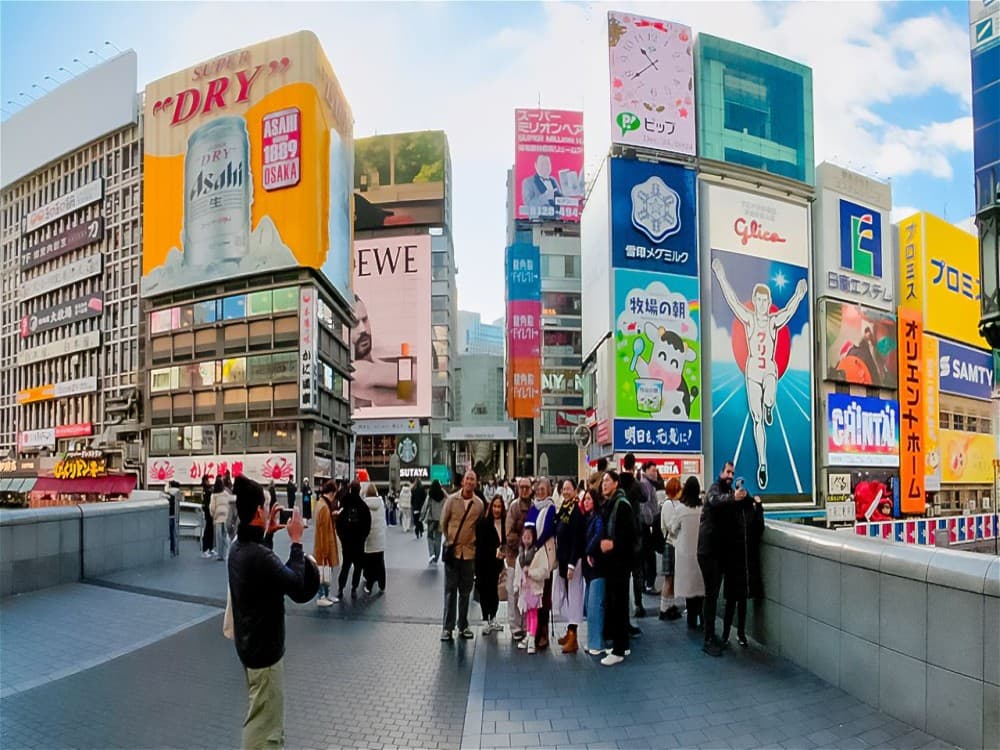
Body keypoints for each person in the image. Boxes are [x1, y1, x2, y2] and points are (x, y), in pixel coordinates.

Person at [227, 474, 318, 750]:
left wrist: (267, 536)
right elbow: (295, 583)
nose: (268, 511)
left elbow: (264, 573)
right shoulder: (258, 556)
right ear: (258, 511)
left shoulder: (238, 549)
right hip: (265, 654)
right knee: (265, 726)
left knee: (261, 713)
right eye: (265, 507)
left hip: (250, 648)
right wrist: (297, 541)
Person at [712, 258, 807, 490]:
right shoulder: (748, 319)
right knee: (756, 420)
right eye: (759, 299)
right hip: (753, 370)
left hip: (769, 370)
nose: (762, 303)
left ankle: (768, 407)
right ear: (755, 301)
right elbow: (732, 300)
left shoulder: (774, 321)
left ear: (769, 301)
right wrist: (721, 275)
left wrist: (799, 293)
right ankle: (762, 463)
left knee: (770, 399)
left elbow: (789, 311)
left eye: (766, 299)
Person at [699, 461, 744, 657]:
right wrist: (733, 497)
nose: (730, 476)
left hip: (715, 551)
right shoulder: (716, 489)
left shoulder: (725, 491)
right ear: (721, 472)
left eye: (732, 473)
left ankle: (710, 635)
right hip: (709, 552)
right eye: (728, 472)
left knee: (712, 595)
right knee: (711, 595)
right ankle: (708, 638)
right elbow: (715, 500)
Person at [440, 470, 485, 642]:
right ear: (462, 482)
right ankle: (447, 628)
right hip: (453, 552)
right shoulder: (452, 500)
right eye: (468, 479)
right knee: (450, 591)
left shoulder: (479, 504)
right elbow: (444, 523)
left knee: (465, 592)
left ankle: (463, 625)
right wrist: (450, 539)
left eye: (473, 479)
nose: (470, 482)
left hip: (469, 554)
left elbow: (479, 526)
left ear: (476, 483)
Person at [599, 470, 636, 666]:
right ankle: (622, 645)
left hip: (620, 563)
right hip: (614, 563)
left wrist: (613, 544)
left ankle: (619, 649)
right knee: (616, 603)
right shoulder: (612, 503)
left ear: (615, 483)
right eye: (602, 481)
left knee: (619, 604)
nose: (603, 484)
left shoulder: (622, 505)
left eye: (607, 481)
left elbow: (630, 535)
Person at [722, 488, 764, 648]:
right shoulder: (749, 513)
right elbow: (759, 528)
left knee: (732, 601)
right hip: (745, 563)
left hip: (733, 563)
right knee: (740, 602)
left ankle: (727, 635)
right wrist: (759, 507)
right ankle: (739, 634)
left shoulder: (731, 512)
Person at [553, 478, 587, 654]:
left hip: (573, 561)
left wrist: (573, 564)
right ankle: (569, 631)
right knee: (566, 595)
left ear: (575, 490)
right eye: (563, 489)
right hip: (563, 559)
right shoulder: (565, 508)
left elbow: (577, 539)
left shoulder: (576, 512)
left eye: (568, 488)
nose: (565, 491)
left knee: (574, 597)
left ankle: (574, 637)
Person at [669, 476, 705, 631]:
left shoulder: (680, 509)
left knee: (689, 590)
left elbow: (672, 528)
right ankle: (702, 619)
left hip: (685, 554)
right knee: (701, 588)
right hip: (702, 552)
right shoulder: (702, 509)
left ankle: (691, 620)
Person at [524, 476, 556, 650]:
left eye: (543, 488)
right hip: (532, 554)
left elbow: (548, 529)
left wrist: (535, 544)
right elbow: (527, 526)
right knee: (533, 595)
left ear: (549, 490)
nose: (540, 491)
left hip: (543, 554)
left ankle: (543, 631)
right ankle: (532, 631)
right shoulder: (533, 507)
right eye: (538, 488)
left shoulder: (550, 507)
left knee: (544, 594)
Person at [514, 525, 552, 654]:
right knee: (527, 613)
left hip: (534, 589)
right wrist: (516, 584)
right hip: (524, 590)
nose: (526, 540)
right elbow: (517, 571)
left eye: (529, 537)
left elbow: (545, 572)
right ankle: (529, 634)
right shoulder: (520, 554)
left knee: (533, 613)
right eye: (524, 537)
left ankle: (531, 638)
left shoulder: (539, 552)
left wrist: (530, 572)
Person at [504, 477, 534, 642]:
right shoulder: (514, 507)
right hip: (514, 557)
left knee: (528, 593)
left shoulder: (534, 506)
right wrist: (523, 544)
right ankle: (516, 627)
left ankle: (526, 626)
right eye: (521, 487)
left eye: (526, 487)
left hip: (530, 559)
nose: (524, 490)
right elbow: (509, 533)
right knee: (514, 593)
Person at [618, 453, 647, 622]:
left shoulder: (618, 481)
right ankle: (638, 604)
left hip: (620, 533)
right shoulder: (636, 484)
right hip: (635, 532)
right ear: (634, 465)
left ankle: (623, 607)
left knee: (622, 573)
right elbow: (645, 497)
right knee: (637, 572)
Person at [475, 494, 507, 635]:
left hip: (498, 564)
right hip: (484, 563)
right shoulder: (483, 523)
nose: (497, 509)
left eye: (499, 506)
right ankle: (485, 619)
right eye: (495, 506)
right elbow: (480, 544)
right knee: (485, 591)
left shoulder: (506, 522)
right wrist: (494, 551)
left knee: (495, 592)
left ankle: (493, 618)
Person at [335, 481, 371, 600]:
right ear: (359, 490)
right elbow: (367, 525)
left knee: (345, 566)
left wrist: (342, 537)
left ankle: (341, 588)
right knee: (358, 566)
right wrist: (363, 537)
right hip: (358, 542)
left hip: (347, 542)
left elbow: (338, 523)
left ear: (350, 489)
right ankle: (354, 588)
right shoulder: (363, 506)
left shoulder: (344, 505)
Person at [581, 488, 606, 656]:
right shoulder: (588, 518)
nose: (586, 502)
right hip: (589, 568)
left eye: (589, 499)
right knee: (591, 606)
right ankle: (593, 640)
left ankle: (596, 642)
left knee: (594, 605)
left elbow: (598, 536)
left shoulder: (598, 518)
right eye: (585, 499)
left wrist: (589, 551)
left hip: (597, 566)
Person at [658, 476, 683, 620]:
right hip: (670, 543)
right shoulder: (668, 505)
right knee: (668, 579)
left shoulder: (676, 504)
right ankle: (663, 608)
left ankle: (670, 606)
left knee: (673, 578)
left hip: (676, 544)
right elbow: (670, 526)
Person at [313, 479, 341, 606]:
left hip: (323, 544)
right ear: (333, 492)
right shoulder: (324, 507)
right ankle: (322, 596)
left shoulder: (322, 504)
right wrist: (325, 551)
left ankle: (326, 594)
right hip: (324, 545)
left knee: (324, 571)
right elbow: (323, 531)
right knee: (323, 571)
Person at [638, 462, 661, 593]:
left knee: (647, 556)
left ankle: (646, 584)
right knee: (649, 556)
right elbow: (645, 506)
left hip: (647, 525)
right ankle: (649, 584)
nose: (655, 473)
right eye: (653, 471)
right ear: (646, 471)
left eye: (656, 471)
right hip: (647, 525)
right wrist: (650, 522)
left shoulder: (648, 484)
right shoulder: (646, 485)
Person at [362, 482, 388, 595]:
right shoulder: (381, 503)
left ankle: (369, 586)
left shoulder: (364, 504)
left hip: (369, 538)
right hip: (380, 537)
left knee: (369, 563)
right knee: (380, 562)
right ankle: (382, 585)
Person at [210, 477, 233, 562]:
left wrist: (213, 515)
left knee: (218, 537)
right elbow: (230, 502)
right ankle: (228, 552)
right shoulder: (226, 494)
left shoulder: (214, 495)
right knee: (225, 535)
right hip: (225, 516)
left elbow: (212, 507)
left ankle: (220, 555)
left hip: (218, 517)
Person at [201, 474, 215, 559]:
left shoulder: (208, 489)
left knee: (211, 530)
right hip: (208, 512)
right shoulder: (206, 490)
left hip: (209, 512)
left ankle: (210, 547)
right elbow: (205, 503)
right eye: (207, 480)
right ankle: (205, 549)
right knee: (208, 530)